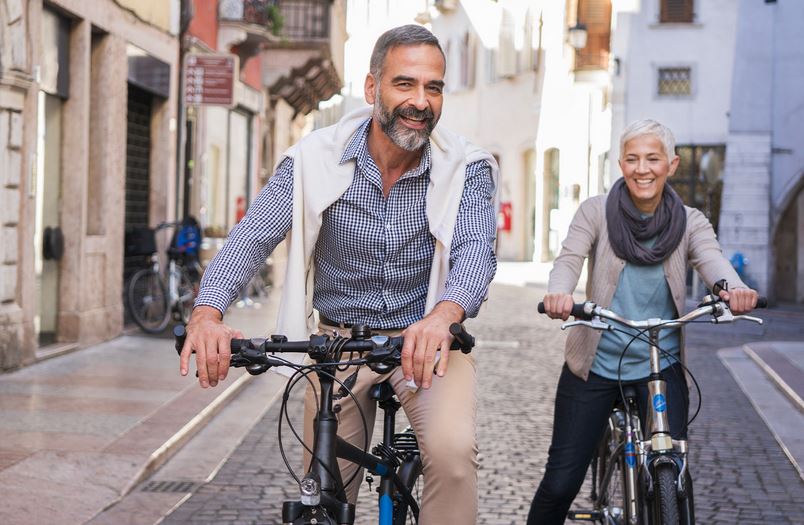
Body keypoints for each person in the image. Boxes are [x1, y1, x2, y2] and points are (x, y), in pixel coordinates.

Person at [179, 25, 499, 524]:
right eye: (405, 84)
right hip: (338, 345)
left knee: (454, 457)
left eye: (433, 87)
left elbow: (476, 252)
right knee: (323, 488)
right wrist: (207, 312)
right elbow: (252, 236)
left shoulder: (466, 166)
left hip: (426, 341)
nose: (421, 101)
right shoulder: (314, 157)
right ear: (373, 89)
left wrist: (445, 315)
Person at [527, 119, 758, 524]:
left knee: (673, 469)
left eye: (652, 158)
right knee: (561, 483)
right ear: (620, 164)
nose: (642, 168)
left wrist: (732, 290)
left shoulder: (690, 222)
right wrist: (559, 294)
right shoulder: (596, 212)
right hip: (595, 366)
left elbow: (713, 260)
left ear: (671, 164)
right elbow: (568, 260)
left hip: (660, 363)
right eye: (632, 159)